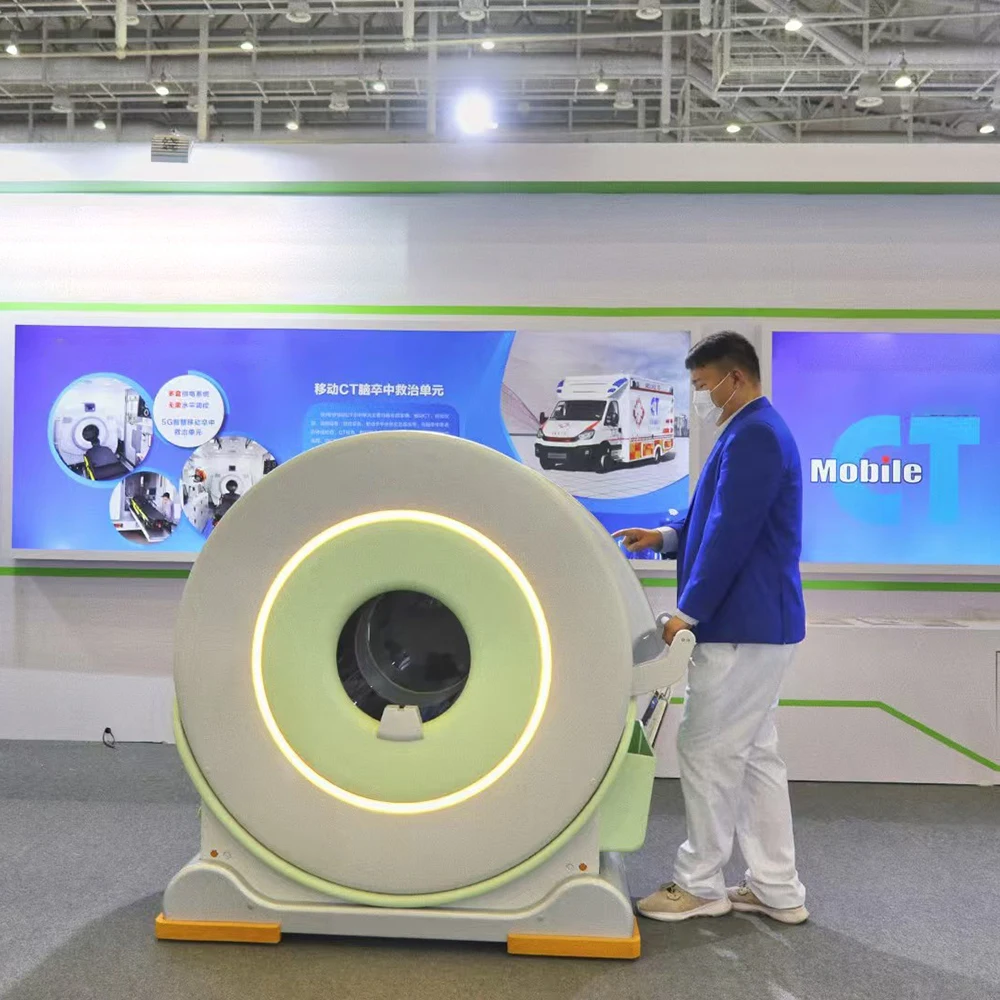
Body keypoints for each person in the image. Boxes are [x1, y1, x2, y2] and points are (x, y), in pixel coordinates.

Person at [614, 332, 808, 926]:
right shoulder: (748, 430)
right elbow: (710, 518)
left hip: (741, 627)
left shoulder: (755, 435)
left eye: (702, 386)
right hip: (757, 625)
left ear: (735, 378)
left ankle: (699, 883)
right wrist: (664, 536)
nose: (699, 397)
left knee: (706, 751)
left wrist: (687, 611)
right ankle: (777, 887)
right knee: (753, 757)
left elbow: (730, 535)